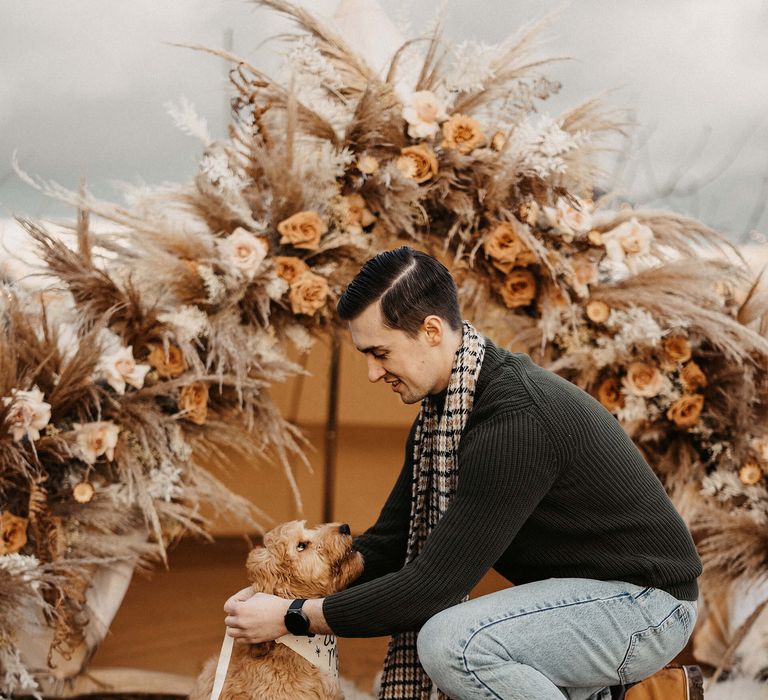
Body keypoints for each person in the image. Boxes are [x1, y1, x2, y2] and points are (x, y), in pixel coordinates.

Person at [223, 246, 702, 700]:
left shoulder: (514, 420)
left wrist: (295, 616)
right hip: (580, 597)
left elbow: (434, 584)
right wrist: (280, 590)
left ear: (432, 331)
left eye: (380, 353)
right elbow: (390, 543)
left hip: (647, 606)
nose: (371, 372)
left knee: (456, 644)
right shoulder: (442, 417)